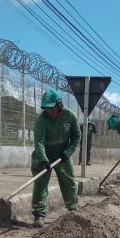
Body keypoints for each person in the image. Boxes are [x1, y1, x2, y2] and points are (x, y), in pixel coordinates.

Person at [31, 89, 81, 228]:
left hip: (62, 156)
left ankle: (73, 210)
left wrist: (68, 152)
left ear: (59, 104)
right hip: (43, 156)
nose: (49, 111)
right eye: (46, 108)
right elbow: (39, 142)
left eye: (52, 108)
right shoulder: (41, 120)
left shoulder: (69, 116)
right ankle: (39, 215)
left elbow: (77, 136)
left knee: (68, 183)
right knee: (40, 185)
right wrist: (44, 159)